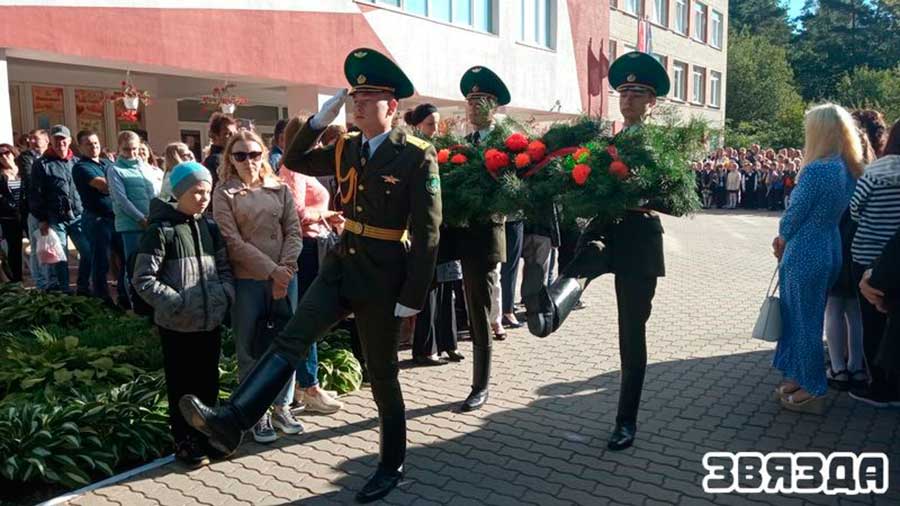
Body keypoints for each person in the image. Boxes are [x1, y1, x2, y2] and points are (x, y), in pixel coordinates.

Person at [180, 48, 440, 503]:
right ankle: (233, 420)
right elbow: (295, 158)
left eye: (370, 96)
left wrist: (413, 293)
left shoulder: (416, 155)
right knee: (290, 339)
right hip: (343, 266)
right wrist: (319, 122)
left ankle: (391, 462)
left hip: (384, 275)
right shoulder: (346, 145)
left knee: (383, 373)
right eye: (355, 95)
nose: (358, 103)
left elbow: (428, 231)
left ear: (392, 106)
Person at [525, 51, 671, 451]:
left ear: (652, 102)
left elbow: (680, 199)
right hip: (607, 231)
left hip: (640, 240)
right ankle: (547, 312)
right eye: (624, 93)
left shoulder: (662, 146)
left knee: (631, 334)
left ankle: (626, 422)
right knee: (581, 264)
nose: (628, 100)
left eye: (638, 94)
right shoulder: (609, 142)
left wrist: (645, 189)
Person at [132, 162, 234, 467]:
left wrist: (224, 295)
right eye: (197, 191)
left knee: (208, 383)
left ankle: (208, 434)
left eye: (207, 191)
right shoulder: (161, 230)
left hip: (209, 321)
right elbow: (143, 279)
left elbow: (225, 268)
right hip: (177, 326)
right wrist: (175, 302)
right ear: (178, 192)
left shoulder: (210, 227)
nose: (204, 198)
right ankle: (185, 441)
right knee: (182, 384)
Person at [212, 130, 304, 443]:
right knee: (251, 347)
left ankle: (281, 405)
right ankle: (256, 412)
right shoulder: (224, 193)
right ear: (230, 160)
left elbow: (294, 231)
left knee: (285, 343)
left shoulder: (279, 188)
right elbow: (232, 242)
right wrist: (272, 271)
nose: (248, 161)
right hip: (250, 280)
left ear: (263, 155)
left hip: (285, 278)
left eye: (254, 154)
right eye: (240, 155)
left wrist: (286, 270)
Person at [771, 104, 863, 414]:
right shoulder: (847, 168)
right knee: (807, 318)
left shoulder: (817, 169)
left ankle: (813, 389)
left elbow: (794, 215)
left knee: (803, 322)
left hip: (805, 251)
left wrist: (781, 236)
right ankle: (802, 377)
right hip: (830, 247)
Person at [440, 66, 511, 411]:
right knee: (469, 307)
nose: (473, 106)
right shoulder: (461, 146)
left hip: (485, 238)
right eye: (469, 100)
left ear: (494, 107)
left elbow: (512, 194)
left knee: (480, 313)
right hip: (459, 236)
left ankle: (480, 385)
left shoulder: (509, 145)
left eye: (481, 100)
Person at [278, 134, 346, 414]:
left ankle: (307, 383)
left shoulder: (305, 168)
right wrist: (326, 213)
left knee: (312, 316)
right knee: (308, 316)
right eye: (317, 140)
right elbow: (295, 212)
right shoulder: (293, 168)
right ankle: (308, 387)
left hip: (315, 245)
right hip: (304, 248)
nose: (321, 146)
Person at [847, 119, 900, 406]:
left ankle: (879, 385)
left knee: (871, 322)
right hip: (898, 258)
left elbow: (855, 209)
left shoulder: (874, 172)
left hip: (867, 255)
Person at [28, 125, 87, 294]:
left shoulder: (77, 162)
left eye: (63, 139)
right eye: (57, 139)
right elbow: (36, 194)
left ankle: (82, 286)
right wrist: (42, 219)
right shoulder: (42, 164)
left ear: (69, 141)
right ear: (51, 142)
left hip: (77, 216)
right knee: (60, 257)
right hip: (55, 217)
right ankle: (64, 289)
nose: (60, 142)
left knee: (87, 252)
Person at [108, 130, 159, 298]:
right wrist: (140, 218)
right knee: (133, 264)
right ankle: (132, 301)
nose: (132, 153)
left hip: (151, 221)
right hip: (131, 224)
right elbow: (121, 199)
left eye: (135, 149)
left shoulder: (146, 167)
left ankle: (148, 301)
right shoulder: (115, 169)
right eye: (127, 149)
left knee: (152, 264)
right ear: (119, 149)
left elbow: (154, 193)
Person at [72, 131, 117, 301]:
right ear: (81, 147)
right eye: (89, 144)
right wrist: (117, 183)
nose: (94, 147)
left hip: (115, 218)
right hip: (97, 220)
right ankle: (102, 299)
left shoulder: (106, 163)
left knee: (122, 259)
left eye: (96, 143)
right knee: (101, 261)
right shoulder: (81, 167)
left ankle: (123, 296)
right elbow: (103, 186)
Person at [0, 144, 26, 282]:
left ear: (13, 152)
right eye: (0, 155)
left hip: (25, 213)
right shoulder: (1, 174)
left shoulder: (22, 169)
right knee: (14, 248)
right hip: (9, 216)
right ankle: (16, 278)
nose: (4, 156)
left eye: (6, 152)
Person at [202, 113, 238, 191]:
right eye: (228, 134)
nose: (233, 138)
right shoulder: (215, 159)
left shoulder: (234, 157)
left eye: (235, 134)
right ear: (215, 136)